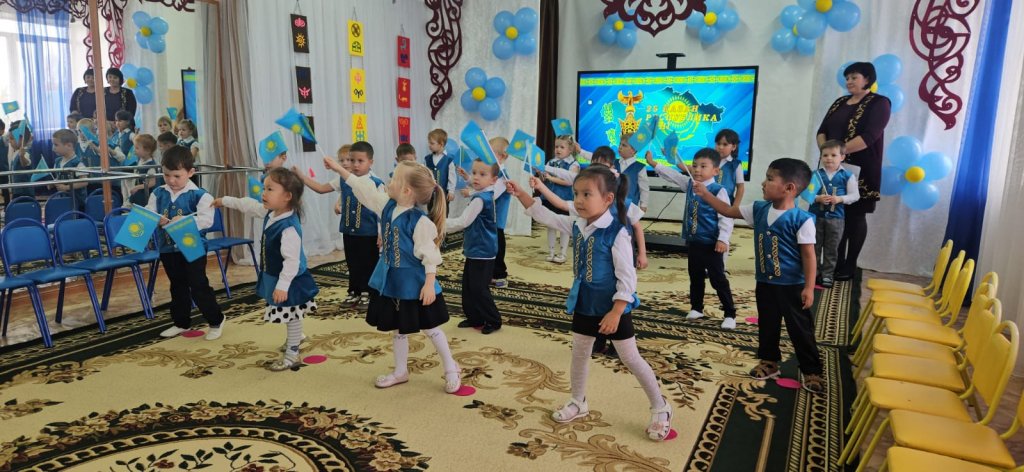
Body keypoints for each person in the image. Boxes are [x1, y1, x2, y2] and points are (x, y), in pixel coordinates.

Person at [507, 167, 673, 441]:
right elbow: (546, 216)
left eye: (587, 194)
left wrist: (617, 311)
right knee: (580, 352)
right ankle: (578, 401)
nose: (579, 200)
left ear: (608, 199)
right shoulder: (578, 224)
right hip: (585, 301)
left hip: (613, 306)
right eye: (576, 194)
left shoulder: (617, 232)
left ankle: (660, 406)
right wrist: (521, 194)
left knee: (630, 357)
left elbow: (628, 277)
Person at [323, 158, 462, 394]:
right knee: (398, 328)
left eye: (395, 178)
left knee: (430, 328)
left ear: (407, 191)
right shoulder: (387, 205)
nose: (389, 180)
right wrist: (338, 169)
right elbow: (365, 189)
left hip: (415, 283)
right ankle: (400, 371)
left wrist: (429, 284)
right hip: (391, 281)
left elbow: (430, 255)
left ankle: (451, 367)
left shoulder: (419, 222)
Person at [694, 158, 825, 393]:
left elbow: (809, 256)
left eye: (770, 179)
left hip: (792, 286)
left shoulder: (801, 219)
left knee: (800, 329)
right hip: (765, 282)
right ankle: (769, 361)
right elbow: (728, 210)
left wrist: (809, 286)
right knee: (767, 324)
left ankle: (811, 370)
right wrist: (705, 194)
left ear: (789, 188)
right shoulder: (759, 209)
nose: (764, 183)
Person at [214, 168, 319, 371]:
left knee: (291, 313)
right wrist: (225, 201)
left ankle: (293, 353)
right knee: (290, 313)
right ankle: (297, 337)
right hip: (275, 274)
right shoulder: (271, 212)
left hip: (290, 279)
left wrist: (283, 286)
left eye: (270, 189)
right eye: (264, 188)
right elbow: (249, 205)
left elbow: (291, 261)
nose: (263, 193)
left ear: (287, 196)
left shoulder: (288, 227)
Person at [816, 61, 891, 280]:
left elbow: (870, 136)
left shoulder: (879, 102)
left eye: (854, 77)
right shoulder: (840, 102)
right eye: (847, 78)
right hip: (833, 168)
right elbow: (822, 130)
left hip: (861, 168)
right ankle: (835, 262)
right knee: (834, 215)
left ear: (867, 79)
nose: (849, 81)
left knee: (855, 216)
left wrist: (837, 153)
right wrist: (827, 153)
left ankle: (850, 265)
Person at [647, 148, 738, 328]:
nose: (697, 170)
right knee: (695, 276)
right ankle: (697, 307)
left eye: (703, 166)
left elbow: (726, 217)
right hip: (694, 242)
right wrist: (653, 164)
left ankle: (730, 313)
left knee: (717, 279)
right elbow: (673, 175)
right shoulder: (690, 184)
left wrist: (723, 239)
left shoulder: (718, 191)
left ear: (715, 171)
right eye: (695, 165)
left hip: (712, 244)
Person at [146, 145, 225, 340]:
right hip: (167, 248)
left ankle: (216, 320)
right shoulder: (158, 193)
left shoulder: (201, 195)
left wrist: (185, 221)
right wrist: (155, 219)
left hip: (193, 247)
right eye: (166, 175)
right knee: (177, 285)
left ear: (190, 172)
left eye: (177, 176)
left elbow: (206, 220)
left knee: (198, 284)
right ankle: (181, 322)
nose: (171, 180)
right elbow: (149, 212)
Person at [297, 141, 384, 306]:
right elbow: (321, 188)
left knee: (368, 262)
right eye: (352, 160)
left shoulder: (376, 182)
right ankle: (354, 291)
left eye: (360, 161)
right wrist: (302, 177)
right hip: (349, 230)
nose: (355, 165)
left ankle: (368, 292)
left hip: (368, 232)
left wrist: (381, 232)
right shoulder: (343, 180)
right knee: (352, 262)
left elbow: (383, 211)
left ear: (370, 162)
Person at [448, 158, 503, 334]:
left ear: (493, 180)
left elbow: (463, 222)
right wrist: (468, 179)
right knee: (469, 287)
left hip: (482, 250)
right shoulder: (483, 193)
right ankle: (475, 317)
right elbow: (475, 185)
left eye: (482, 174)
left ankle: (493, 320)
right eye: (474, 173)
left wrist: (441, 223)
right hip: (476, 248)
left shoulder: (480, 199)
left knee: (479, 288)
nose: (476, 177)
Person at [811, 140, 859, 288]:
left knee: (832, 248)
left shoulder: (847, 176)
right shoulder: (815, 175)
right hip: (815, 217)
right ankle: (813, 273)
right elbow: (807, 194)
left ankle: (827, 275)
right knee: (813, 246)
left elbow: (855, 196)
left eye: (833, 155)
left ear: (842, 157)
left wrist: (839, 199)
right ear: (821, 157)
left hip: (836, 219)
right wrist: (817, 198)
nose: (829, 158)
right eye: (825, 155)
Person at [539, 134, 580, 263]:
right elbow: (544, 179)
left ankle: (562, 253)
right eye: (556, 146)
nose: (558, 149)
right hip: (549, 197)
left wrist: (551, 177)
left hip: (564, 199)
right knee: (550, 224)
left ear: (570, 149)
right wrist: (541, 175)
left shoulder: (574, 164)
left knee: (564, 226)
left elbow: (569, 181)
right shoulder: (551, 162)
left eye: (562, 147)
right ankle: (551, 252)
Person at [489, 137, 512, 288]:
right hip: (491, 220)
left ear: (502, 156)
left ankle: (500, 274)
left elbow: (492, 195)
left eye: (491, 153)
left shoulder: (503, 176)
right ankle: (490, 273)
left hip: (497, 221)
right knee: (491, 247)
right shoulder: (495, 173)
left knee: (498, 247)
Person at [50, 129, 89, 208]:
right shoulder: (57, 161)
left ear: (69, 146)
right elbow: (58, 177)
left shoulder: (77, 163)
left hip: (77, 203)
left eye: (56, 145)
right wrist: (53, 183)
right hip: (64, 200)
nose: (53, 148)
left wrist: (66, 187)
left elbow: (84, 182)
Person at [615, 138, 650, 212]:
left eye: (624, 145)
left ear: (633, 150)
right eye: (620, 144)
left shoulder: (639, 167)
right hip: (612, 206)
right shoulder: (613, 163)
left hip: (630, 208)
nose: (620, 147)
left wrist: (643, 205)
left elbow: (644, 188)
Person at [127, 134, 162, 206]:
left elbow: (152, 183)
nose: (134, 150)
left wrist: (137, 187)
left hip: (147, 197)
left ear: (147, 151)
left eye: (137, 148)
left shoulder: (151, 166)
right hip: (139, 194)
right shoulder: (140, 160)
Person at [424, 129, 456, 204]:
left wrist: (451, 191)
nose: (429, 145)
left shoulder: (449, 159)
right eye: (429, 143)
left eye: (432, 143)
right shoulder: (427, 158)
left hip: (444, 194)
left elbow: (452, 177)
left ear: (441, 144)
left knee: (444, 210)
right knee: (431, 209)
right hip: (430, 194)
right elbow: (425, 175)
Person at [714, 129, 746, 205]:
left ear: (733, 147)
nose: (720, 147)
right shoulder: (710, 161)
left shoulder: (736, 165)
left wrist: (735, 206)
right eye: (718, 144)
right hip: (707, 204)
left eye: (725, 144)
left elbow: (740, 187)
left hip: (726, 205)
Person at [7, 120, 35, 198]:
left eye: (12, 139)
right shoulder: (16, 152)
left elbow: (25, 164)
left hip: (25, 191)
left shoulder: (25, 152)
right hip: (17, 189)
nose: (9, 141)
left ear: (21, 139)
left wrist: (22, 156)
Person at [0, 119, 8, 205]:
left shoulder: (4, 139)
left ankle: (7, 206)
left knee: (5, 189)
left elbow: (10, 134)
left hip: (3, 168)